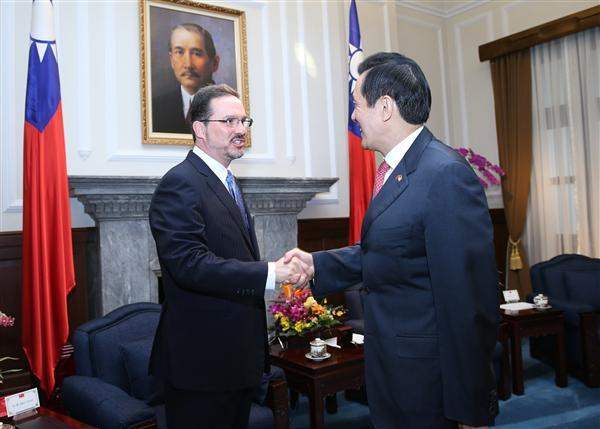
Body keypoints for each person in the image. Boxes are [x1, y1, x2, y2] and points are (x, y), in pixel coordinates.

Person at [285, 52, 499, 429]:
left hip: (430, 386)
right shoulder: (399, 170)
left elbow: (467, 299)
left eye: (357, 105)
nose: (354, 116)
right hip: (394, 372)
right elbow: (388, 251)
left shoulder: (444, 174)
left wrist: (471, 406)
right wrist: (317, 264)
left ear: (384, 108)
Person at [149, 84, 307, 429]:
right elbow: (189, 265)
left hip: (236, 361)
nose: (241, 130)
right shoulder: (180, 183)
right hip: (201, 366)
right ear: (200, 128)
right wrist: (270, 273)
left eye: (244, 121)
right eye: (229, 121)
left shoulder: (225, 181)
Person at [152, 23, 220, 134]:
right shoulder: (156, 107)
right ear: (171, 60)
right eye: (179, 52)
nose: (188, 64)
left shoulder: (228, 106)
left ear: (214, 63)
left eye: (197, 53)